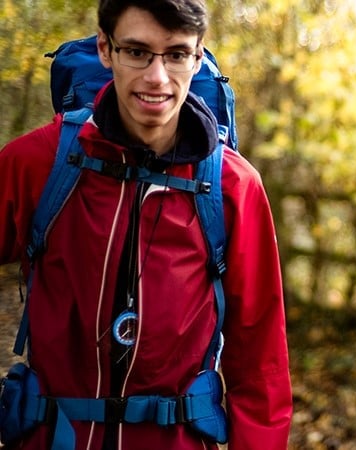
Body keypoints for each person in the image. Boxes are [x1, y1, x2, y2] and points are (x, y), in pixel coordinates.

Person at [0, 1, 292, 448]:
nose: (157, 78)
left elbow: (260, 360)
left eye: (175, 54)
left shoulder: (233, 187)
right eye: (137, 52)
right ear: (105, 48)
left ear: (198, 58)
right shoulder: (37, 162)